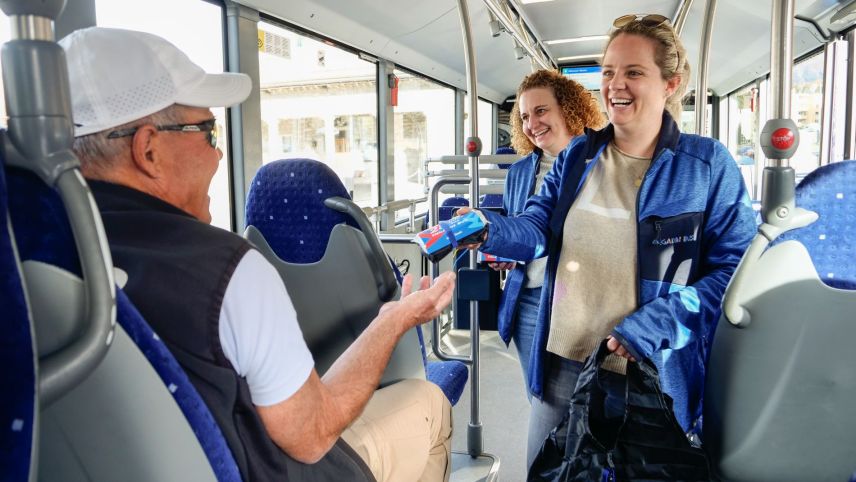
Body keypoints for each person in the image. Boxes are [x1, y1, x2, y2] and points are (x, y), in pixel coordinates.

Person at [61, 27, 456, 482]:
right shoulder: (227, 271)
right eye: (207, 132)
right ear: (148, 149)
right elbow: (311, 435)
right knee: (429, 404)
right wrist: (395, 318)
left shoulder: (40, 252)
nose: (219, 154)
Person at [462, 14, 756, 466]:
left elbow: (735, 271)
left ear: (670, 84)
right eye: (608, 72)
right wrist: (488, 228)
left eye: (634, 72)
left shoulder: (706, 166)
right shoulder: (579, 156)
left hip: (653, 367)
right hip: (564, 357)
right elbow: (538, 229)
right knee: (551, 471)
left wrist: (657, 323)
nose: (616, 85)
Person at [487, 69, 605, 400]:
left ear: (567, 110)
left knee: (582, 399)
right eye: (525, 116)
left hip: (580, 301)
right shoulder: (520, 173)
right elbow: (520, 229)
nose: (532, 123)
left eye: (541, 111)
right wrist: (507, 255)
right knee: (539, 397)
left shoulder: (599, 163)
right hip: (528, 298)